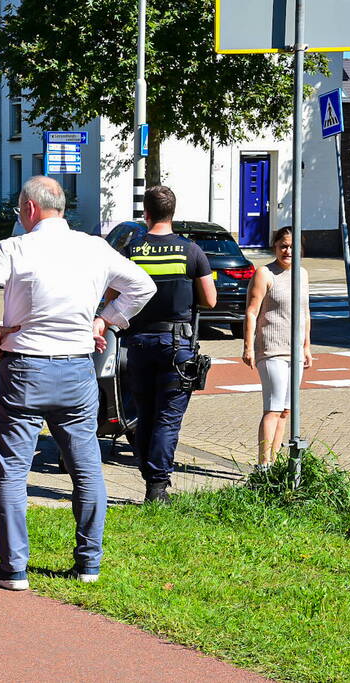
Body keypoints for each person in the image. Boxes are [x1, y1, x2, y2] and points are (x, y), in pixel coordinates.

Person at [0, 176, 155, 591]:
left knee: (13, 470)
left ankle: (13, 568)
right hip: (76, 370)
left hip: (25, 368)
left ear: (29, 209)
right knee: (86, 469)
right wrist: (106, 319)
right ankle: (89, 562)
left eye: (19, 208)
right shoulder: (94, 247)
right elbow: (143, 286)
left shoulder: (15, 248)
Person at [119, 186, 217, 503]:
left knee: (145, 415)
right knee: (167, 419)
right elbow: (211, 301)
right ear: (172, 213)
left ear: (145, 213)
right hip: (177, 345)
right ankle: (157, 487)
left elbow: (114, 295)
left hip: (137, 344)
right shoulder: (191, 251)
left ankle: (150, 477)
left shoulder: (132, 251)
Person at [241, 226, 313, 471]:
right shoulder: (265, 274)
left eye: (293, 247)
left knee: (285, 410)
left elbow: (305, 312)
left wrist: (307, 346)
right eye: (283, 246)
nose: (288, 251)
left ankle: (275, 462)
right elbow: (251, 311)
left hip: (295, 352)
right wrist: (248, 346)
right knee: (272, 408)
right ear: (275, 246)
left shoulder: (302, 274)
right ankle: (263, 466)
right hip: (272, 350)